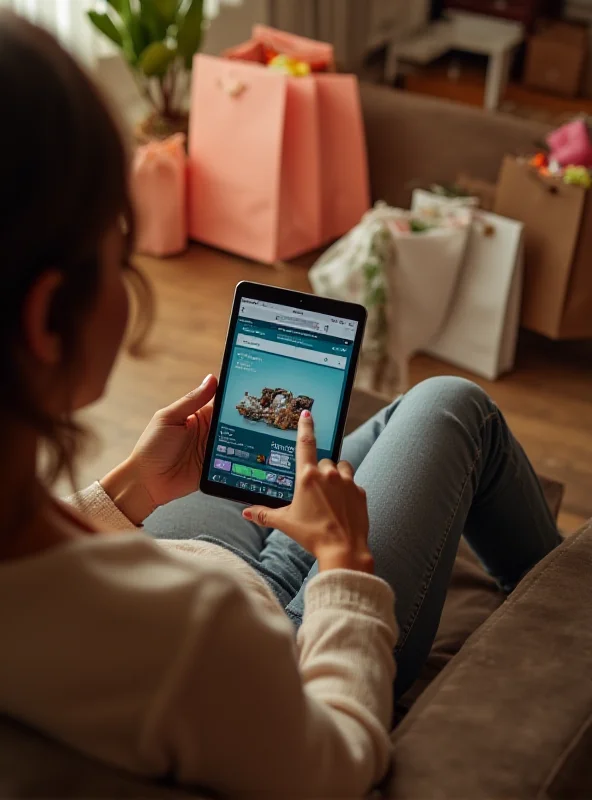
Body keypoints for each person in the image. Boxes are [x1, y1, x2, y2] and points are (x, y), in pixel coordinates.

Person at [0, 12, 562, 799]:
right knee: (448, 406)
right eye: (120, 254)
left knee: (346, 443)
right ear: (46, 317)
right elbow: (335, 760)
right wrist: (343, 564)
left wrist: (129, 488)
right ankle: (564, 610)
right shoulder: (184, 641)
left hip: (181, 553)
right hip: (281, 634)